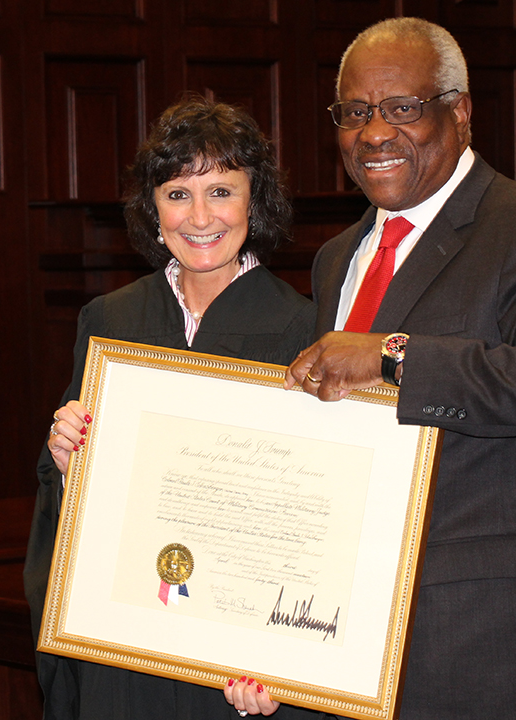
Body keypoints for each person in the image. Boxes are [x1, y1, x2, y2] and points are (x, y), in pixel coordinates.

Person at [230, 17, 516, 720]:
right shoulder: (338, 258)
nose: (375, 133)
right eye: (355, 113)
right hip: (357, 635)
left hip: (501, 640)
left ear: (461, 112)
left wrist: (393, 358)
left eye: (402, 108)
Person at [23, 96, 318, 720]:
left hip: (231, 664)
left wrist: (285, 661)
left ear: (254, 202)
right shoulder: (111, 321)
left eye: (222, 190)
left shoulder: (305, 330)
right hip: (125, 649)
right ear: (153, 209)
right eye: (178, 193)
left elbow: (311, 525)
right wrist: (65, 458)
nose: (200, 216)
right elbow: (71, 509)